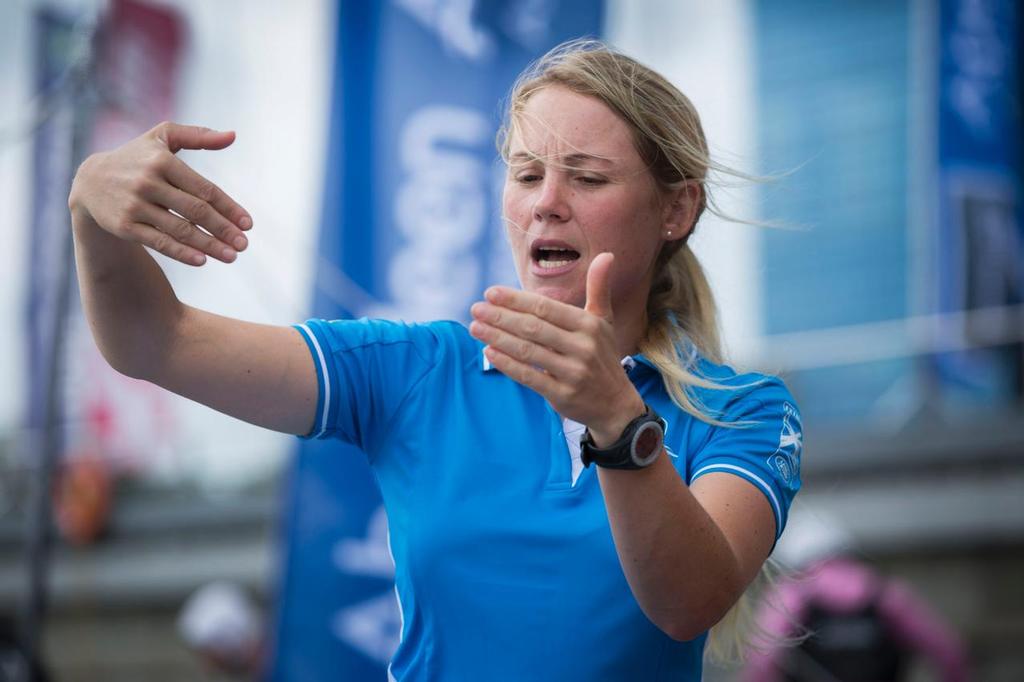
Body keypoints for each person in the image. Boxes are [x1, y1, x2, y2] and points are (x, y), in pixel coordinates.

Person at [67, 40, 802, 680]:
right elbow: (151, 339)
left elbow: (688, 605)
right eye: (524, 174)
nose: (545, 202)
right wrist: (90, 204)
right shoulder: (417, 370)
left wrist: (616, 420)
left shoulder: (744, 409)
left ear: (675, 210)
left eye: (587, 176)